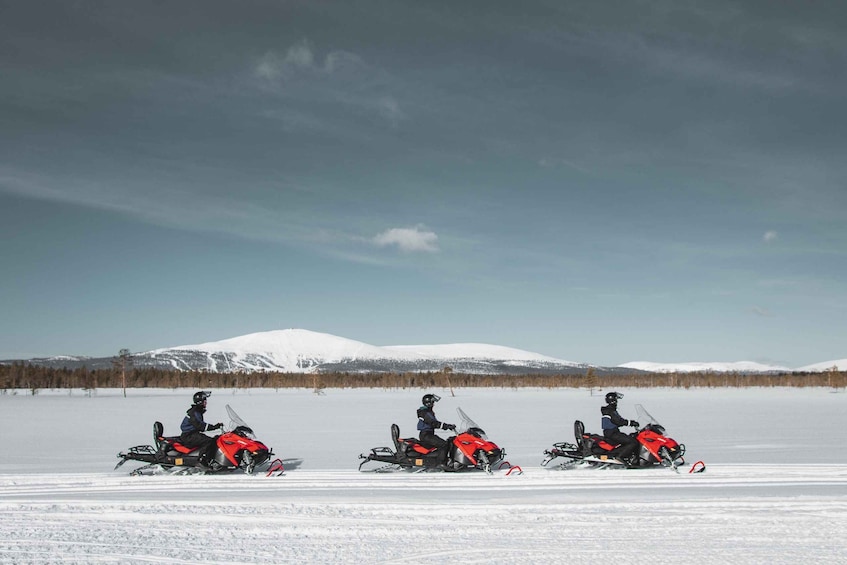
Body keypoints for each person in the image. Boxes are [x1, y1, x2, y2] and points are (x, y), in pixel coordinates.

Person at [180, 390, 223, 466]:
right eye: (204, 400)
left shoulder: (197, 411)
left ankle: (212, 459)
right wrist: (214, 427)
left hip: (192, 434)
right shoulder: (194, 412)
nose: (206, 402)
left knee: (214, 440)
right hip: (189, 436)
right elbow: (200, 426)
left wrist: (215, 427)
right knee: (208, 441)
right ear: (200, 402)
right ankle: (202, 460)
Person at [601, 391, 640, 466]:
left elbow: (618, 420)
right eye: (616, 399)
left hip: (612, 432)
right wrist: (631, 423)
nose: (617, 401)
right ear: (613, 400)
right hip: (612, 433)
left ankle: (631, 458)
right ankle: (620, 457)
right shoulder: (610, 411)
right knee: (633, 442)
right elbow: (618, 421)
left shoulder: (610, 410)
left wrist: (630, 423)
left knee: (632, 437)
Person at [416, 393, 456, 463]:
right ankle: (441, 463)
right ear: (428, 403)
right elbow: (433, 423)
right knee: (443, 444)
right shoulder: (425, 413)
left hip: (428, 434)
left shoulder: (428, 412)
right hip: (426, 435)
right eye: (432, 402)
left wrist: (447, 425)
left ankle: (446, 460)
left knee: (449, 442)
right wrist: (446, 426)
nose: (434, 404)